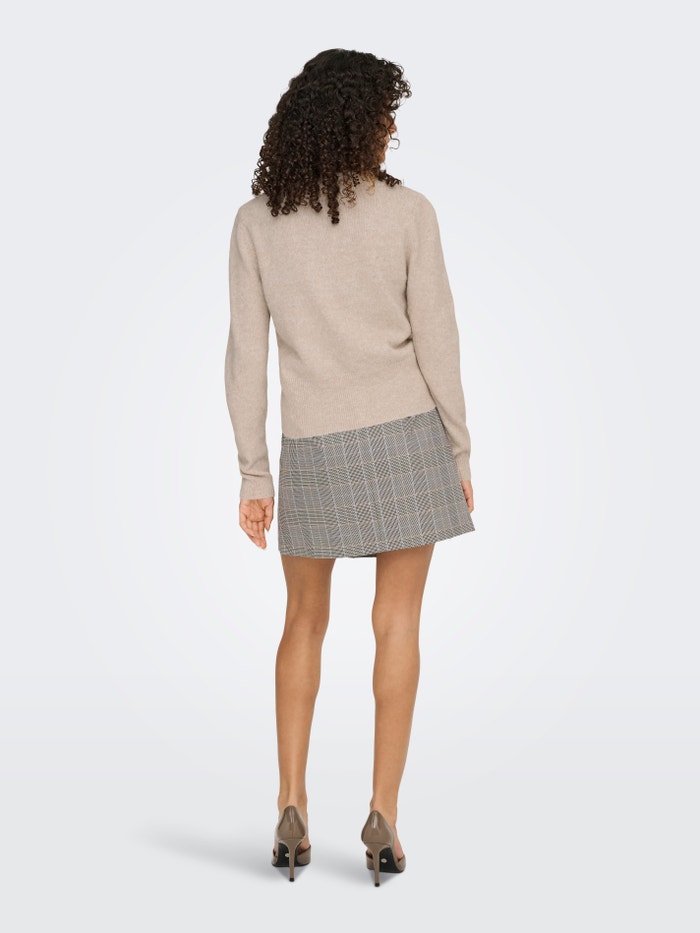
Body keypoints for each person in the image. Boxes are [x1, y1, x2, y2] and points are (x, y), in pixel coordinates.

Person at [224, 48, 476, 885]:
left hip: (315, 449)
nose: (392, 129)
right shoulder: (409, 213)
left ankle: (291, 802)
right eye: (384, 115)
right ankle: (383, 813)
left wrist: (255, 473)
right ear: (357, 120)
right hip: (406, 439)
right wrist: (459, 449)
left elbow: (245, 358)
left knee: (303, 620)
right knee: (397, 623)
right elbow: (439, 343)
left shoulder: (258, 223)